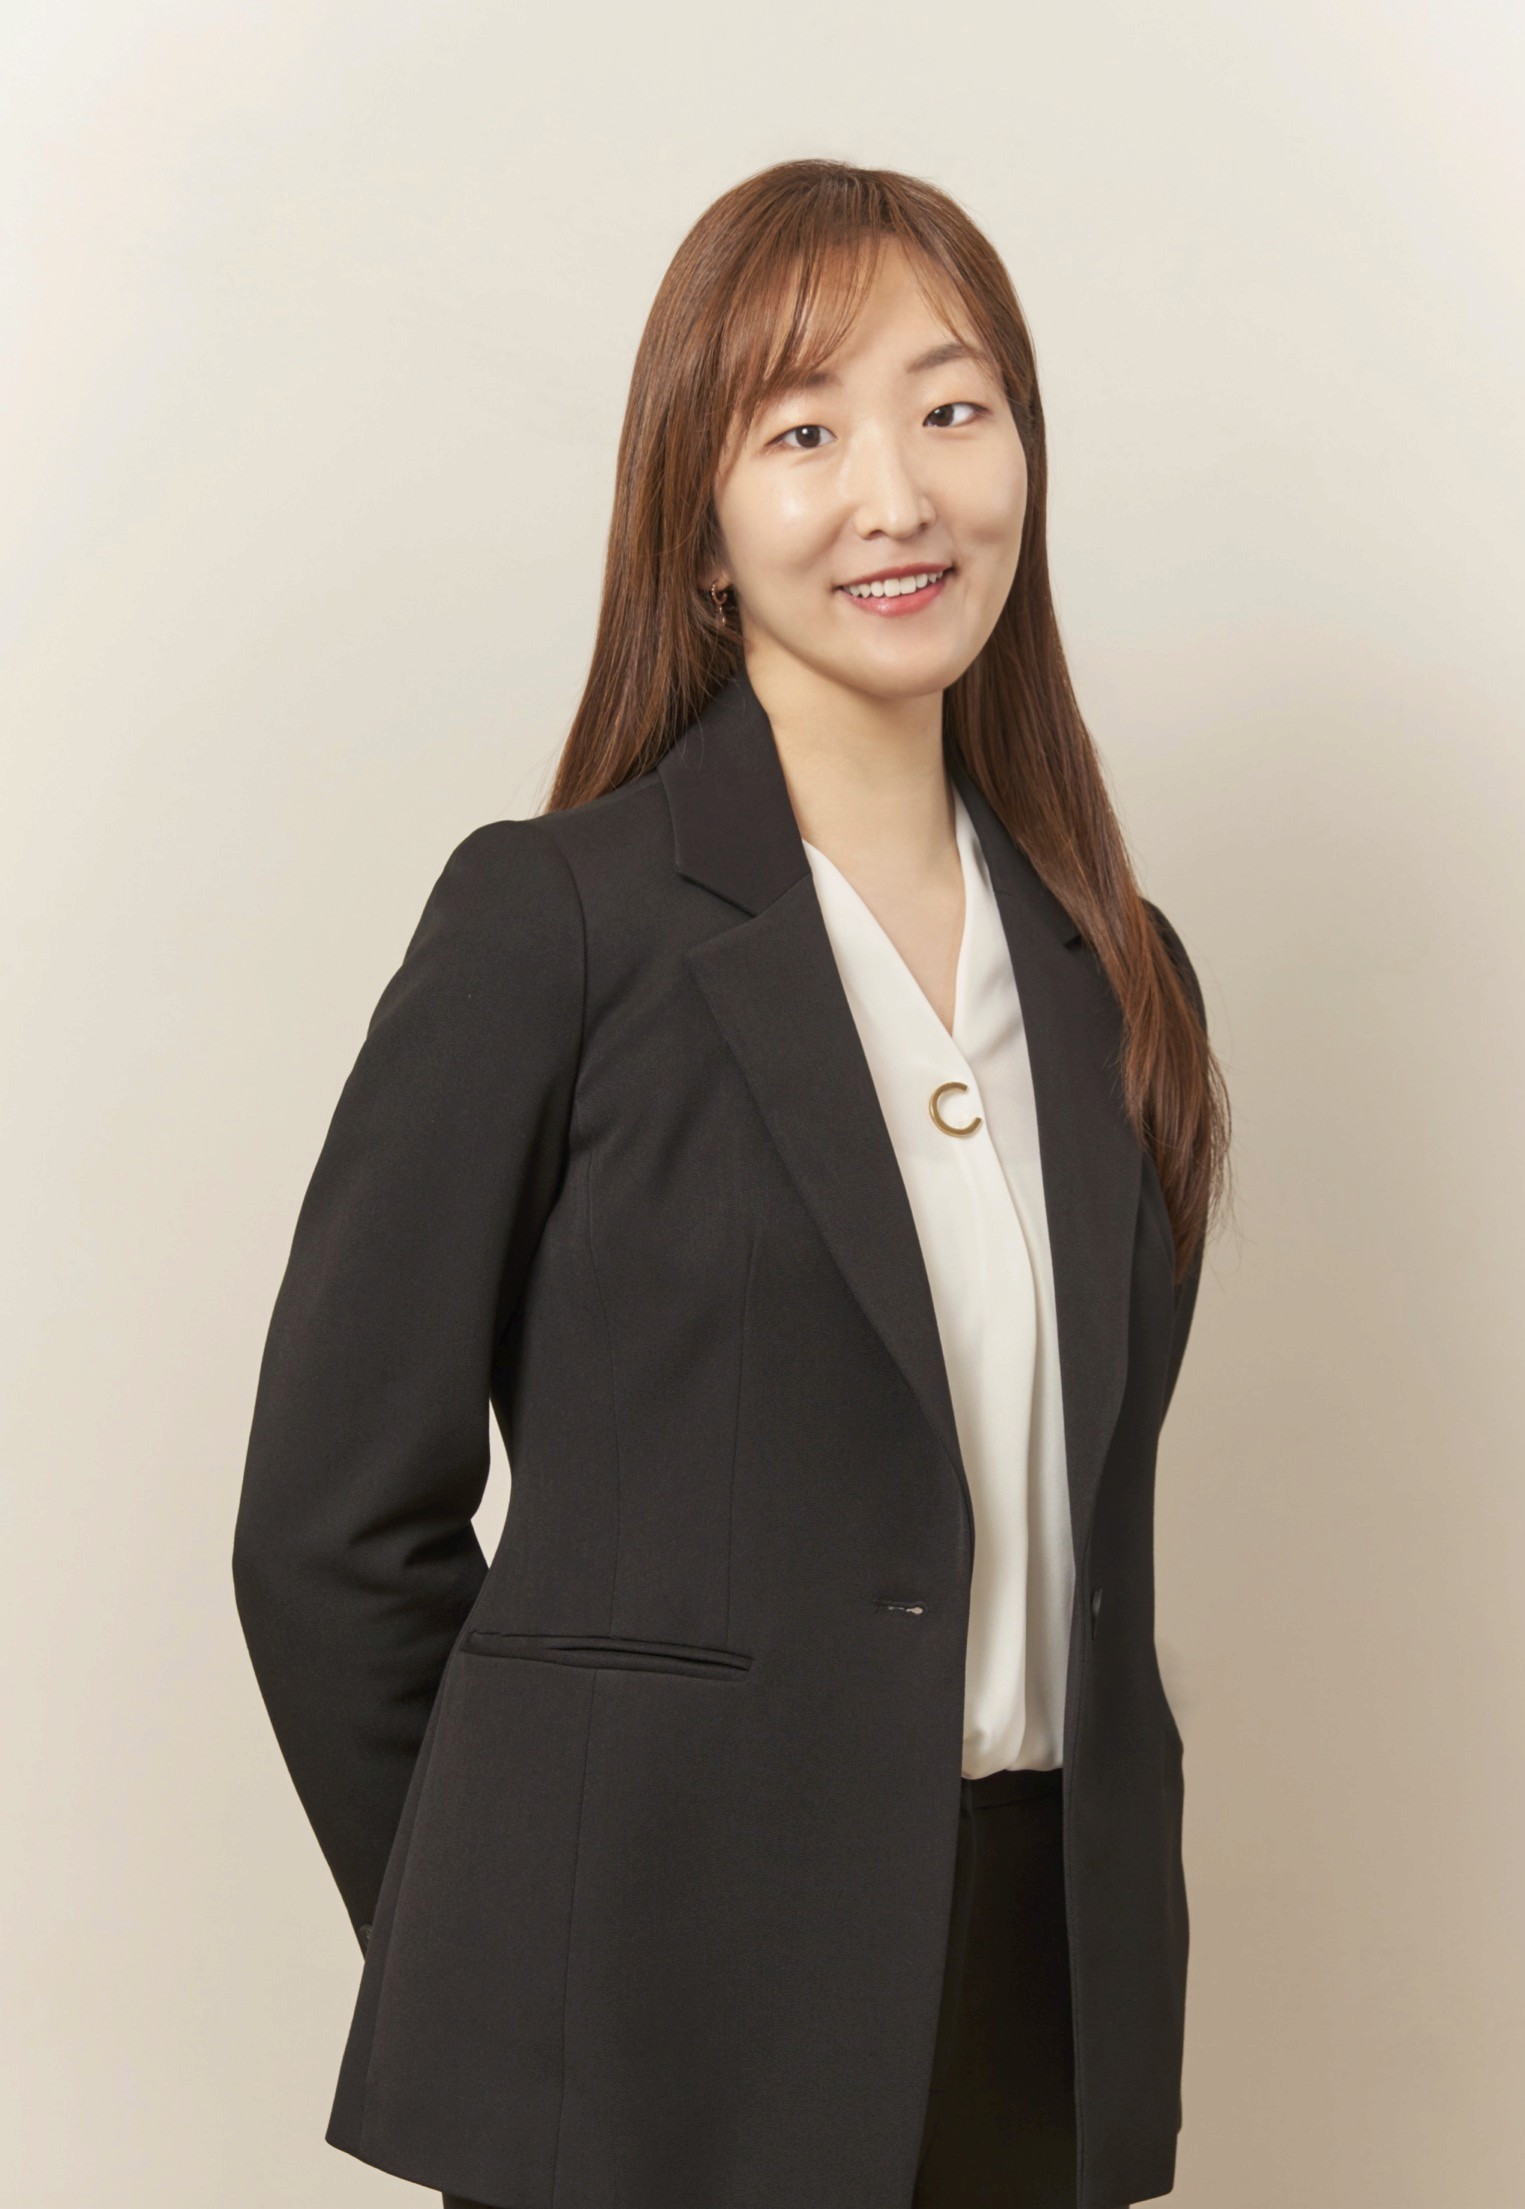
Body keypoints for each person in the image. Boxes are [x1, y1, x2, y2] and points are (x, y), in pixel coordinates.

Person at [232, 157, 1230, 2209]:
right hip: (651, 2030)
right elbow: (327, 1533)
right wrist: (525, 1951)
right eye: (802, 432)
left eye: (952, 409)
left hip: (1039, 2004)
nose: (897, 494)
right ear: (696, 525)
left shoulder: (1116, 972)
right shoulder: (552, 925)